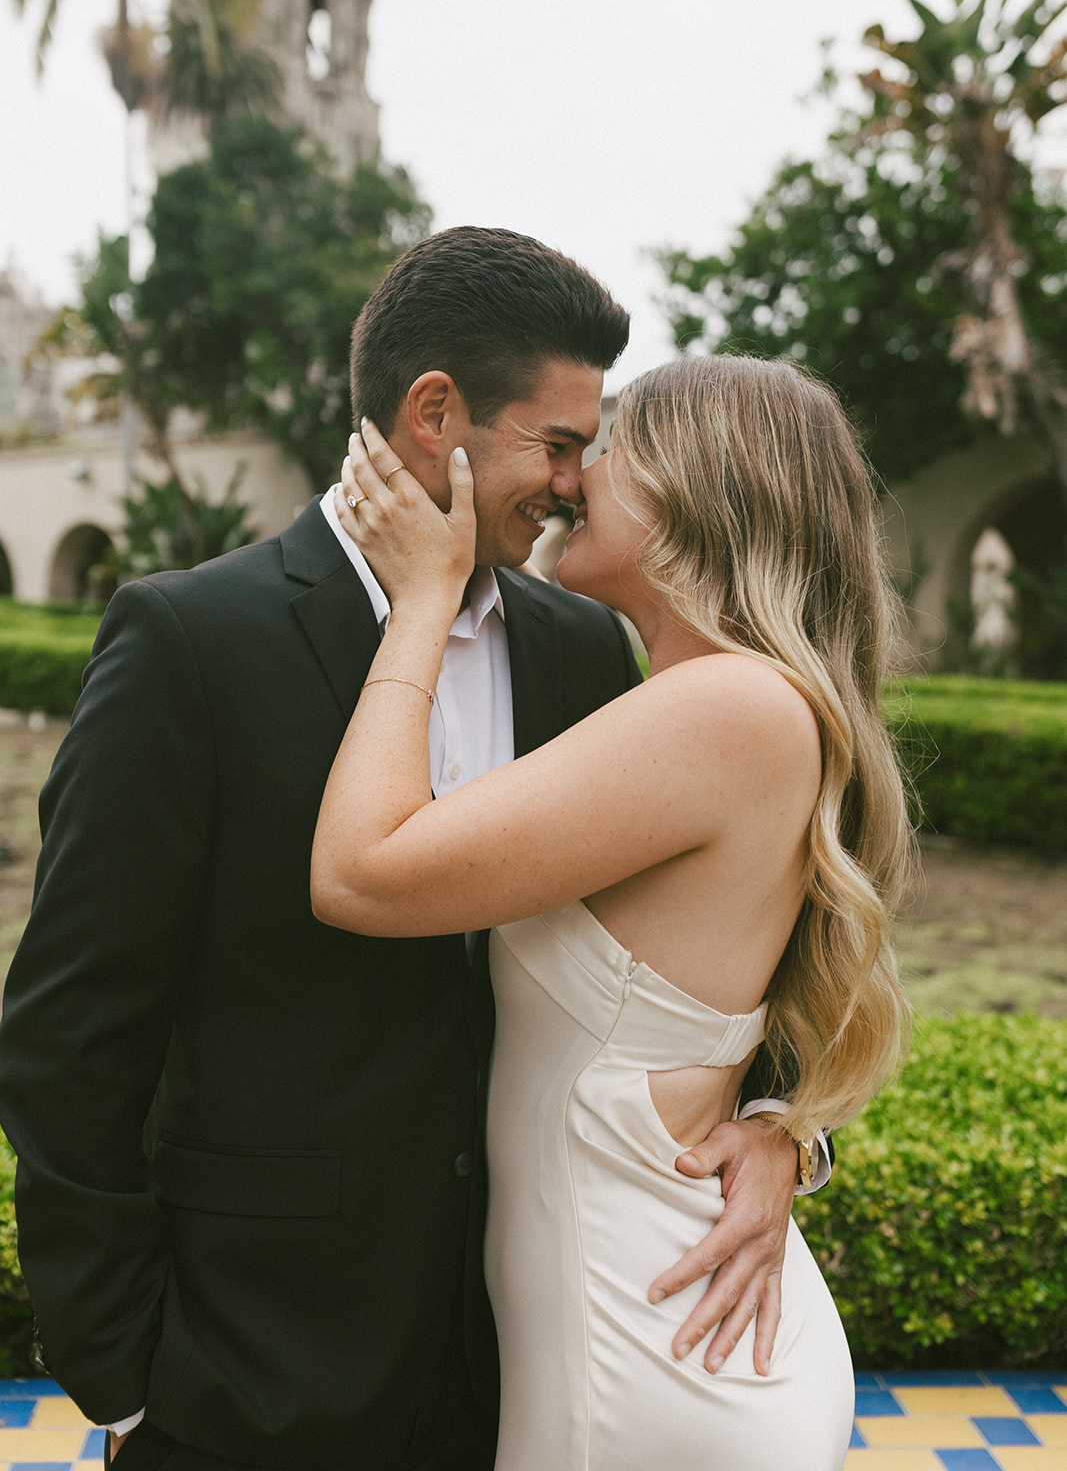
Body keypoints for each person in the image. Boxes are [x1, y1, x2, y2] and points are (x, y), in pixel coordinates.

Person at [0, 231, 809, 1471]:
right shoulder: (191, 641)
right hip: (247, 1373)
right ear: (437, 413)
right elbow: (70, 1026)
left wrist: (774, 1117)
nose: (575, 482)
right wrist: (122, 1374)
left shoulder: (582, 648)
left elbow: (734, 911)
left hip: (525, 1353)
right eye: (558, 442)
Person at [311, 352, 913, 1471]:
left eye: (610, 448)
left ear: (697, 489)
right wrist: (786, 1134)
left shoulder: (726, 708)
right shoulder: (711, 705)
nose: (574, 477)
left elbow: (360, 872)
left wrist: (424, 603)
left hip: (644, 1356)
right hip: (640, 1326)